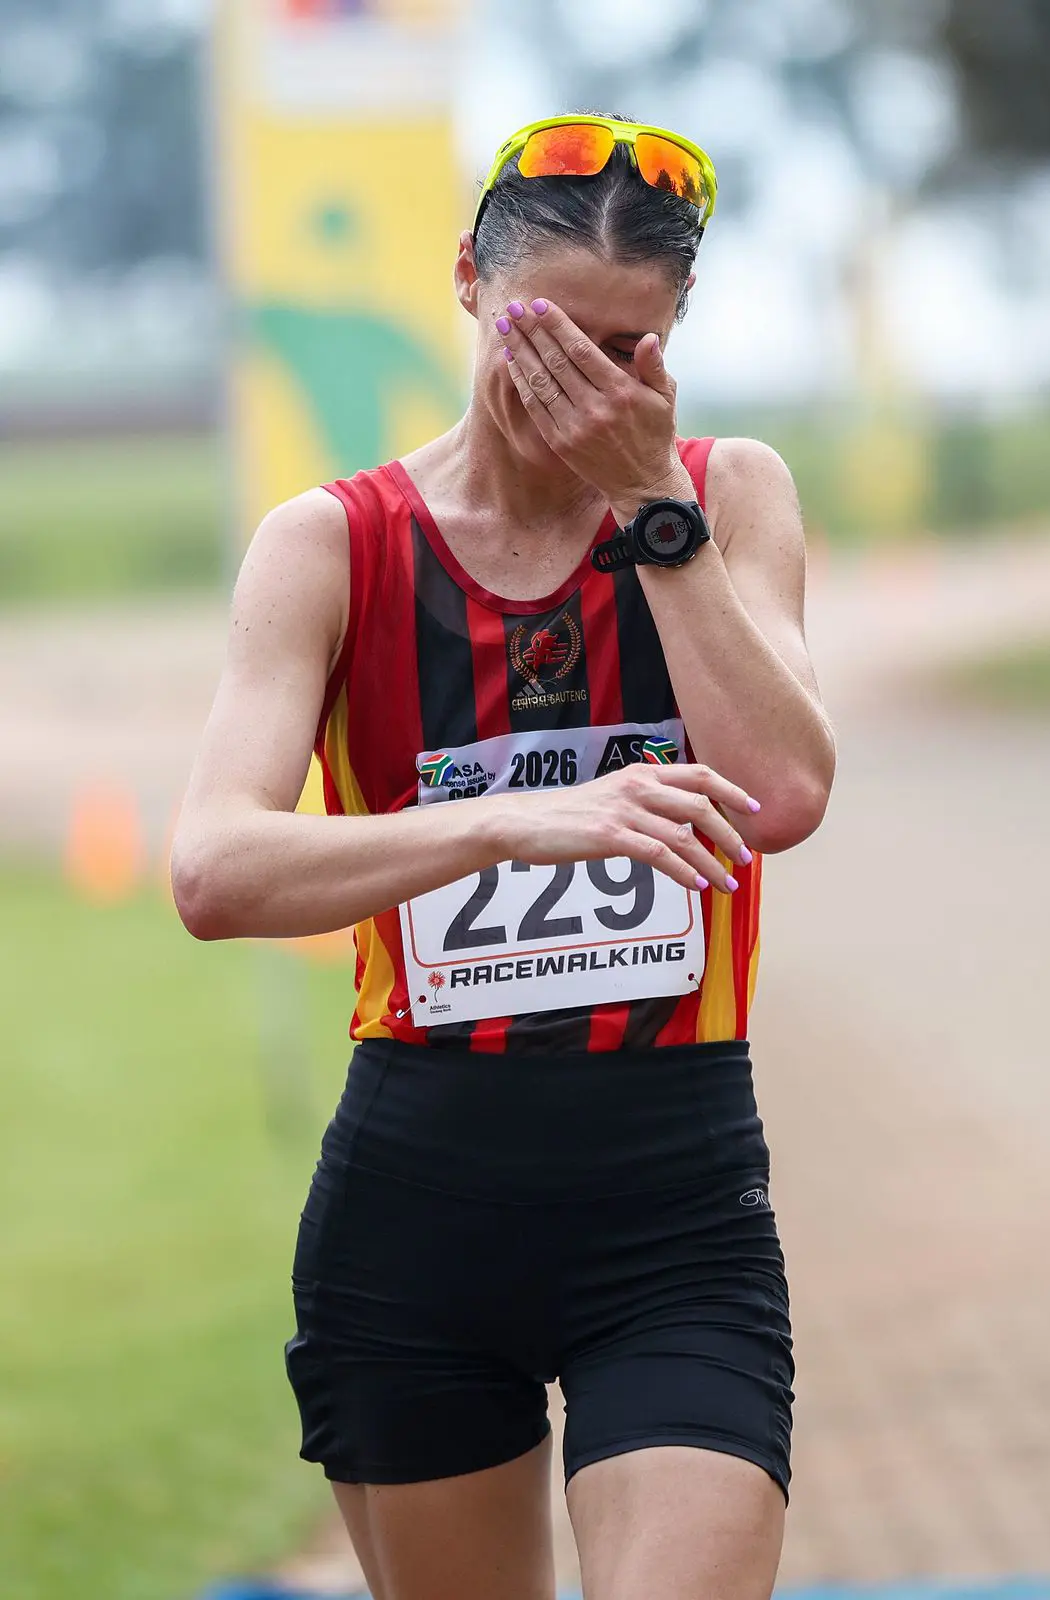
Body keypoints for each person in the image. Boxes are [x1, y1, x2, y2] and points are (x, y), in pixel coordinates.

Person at [172, 111, 835, 1600]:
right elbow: (213, 870)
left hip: (674, 1200)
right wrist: (511, 820)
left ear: (675, 328)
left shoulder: (728, 496)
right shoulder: (330, 545)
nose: (577, 384)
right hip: (418, 1208)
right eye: (544, 334)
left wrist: (651, 508)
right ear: (469, 278)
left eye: (624, 346)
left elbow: (785, 789)